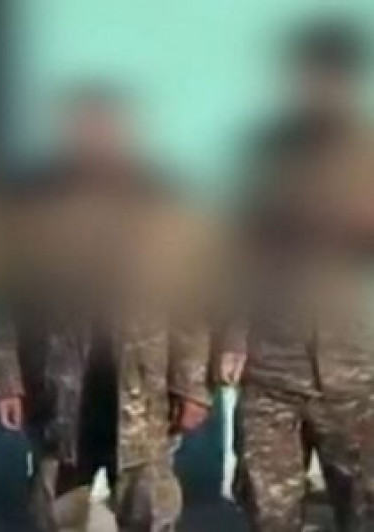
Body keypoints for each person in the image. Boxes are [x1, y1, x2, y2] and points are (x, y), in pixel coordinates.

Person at [0, 89, 214, 531]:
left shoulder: (162, 205)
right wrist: (5, 381)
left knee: (148, 512)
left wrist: (192, 387)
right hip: (60, 393)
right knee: (57, 514)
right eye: (86, 130)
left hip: (144, 394)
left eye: (107, 130)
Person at [218, 21, 374, 531]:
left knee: (364, 509)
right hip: (271, 368)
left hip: (355, 371)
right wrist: (233, 339)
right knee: (269, 511)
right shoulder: (266, 155)